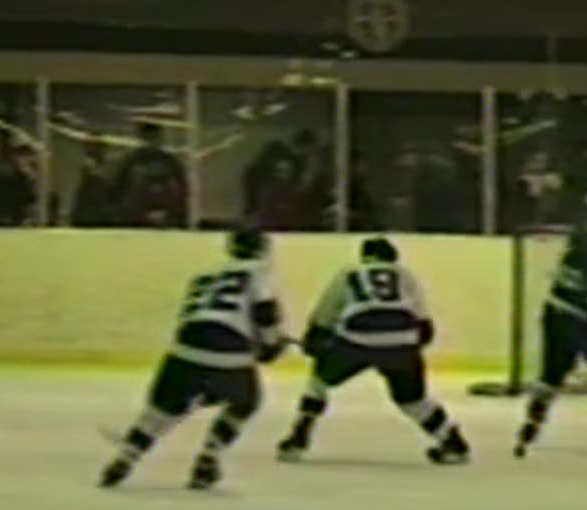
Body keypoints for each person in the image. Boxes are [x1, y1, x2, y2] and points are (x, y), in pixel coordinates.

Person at [99, 229, 285, 490]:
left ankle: (126, 457)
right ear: (262, 249)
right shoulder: (258, 271)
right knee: (246, 402)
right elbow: (264, 313)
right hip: (227, 356)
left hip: (182, 352)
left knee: (162, 411)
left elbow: (201, 317)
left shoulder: (204, 276)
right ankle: (208, 459)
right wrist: (271, 343)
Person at [276, 237, 470, 465]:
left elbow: (325, 314)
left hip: (357, 338)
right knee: (413, 400)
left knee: (318, 382)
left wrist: (316, 340)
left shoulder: (349, 273)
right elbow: (424, 325)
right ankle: (452, 441)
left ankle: (299, 437)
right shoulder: (404, 275)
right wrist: (407, 353)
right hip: (403, 339)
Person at [513, 192, 587, 458]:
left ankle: (533, 422)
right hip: (577, 319)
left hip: (555, 313)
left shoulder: (578, 242)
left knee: (552, 374)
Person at [113, 122, 187, 227]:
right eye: (149, 137)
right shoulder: (132, 162)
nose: (152, 141)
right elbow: (119, 192)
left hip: (167, 221)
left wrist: (171, 214)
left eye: (155, 137)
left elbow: (182, 192)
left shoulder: (170, 163)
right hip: (136, 221)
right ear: (143, 137)